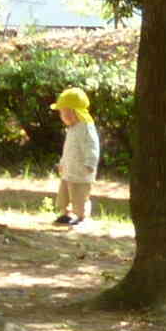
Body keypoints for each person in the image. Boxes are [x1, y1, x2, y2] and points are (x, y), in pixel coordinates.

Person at [53, 88, 99, 228]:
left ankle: (81, 216)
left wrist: (90, 163)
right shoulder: (72, 129)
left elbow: (92, 147)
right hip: (68, 170)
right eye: (61, 113)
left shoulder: (86, 128)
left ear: (74, 112)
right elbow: (67, 149)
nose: (62, 116)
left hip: (82, 171)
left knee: (79, 196)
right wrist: (62, 163)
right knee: (64, 194)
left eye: (65, 112)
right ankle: (65, 213)